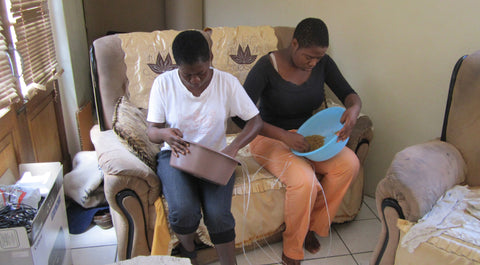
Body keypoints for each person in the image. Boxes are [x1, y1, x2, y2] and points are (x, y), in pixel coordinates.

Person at [236, 18, 361, 265]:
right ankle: (293, 248)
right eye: (309, 57)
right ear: (294, 43)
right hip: (269, 137)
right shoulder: (265, 67)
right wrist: (284, 136)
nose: (313, 63)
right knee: (304, 180)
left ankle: (313, 227)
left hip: (306, 137)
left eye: (318, 58)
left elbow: (349, 94)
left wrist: (354, 109)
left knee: (350, 164)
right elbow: (241, 117)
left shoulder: (322, 63)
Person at [146, 30, 263, 265]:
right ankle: (189, 250)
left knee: (218, 215)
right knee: (183, 211)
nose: (195, 80)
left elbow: (255, 122)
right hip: (177, 155)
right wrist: (164, 133)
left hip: (216, 157)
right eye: (187, 75)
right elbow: (152, 132)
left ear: (211, 57)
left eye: (200, 73)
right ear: (176, 65)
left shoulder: (226, 82)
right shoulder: (164, 84)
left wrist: (234, 147)